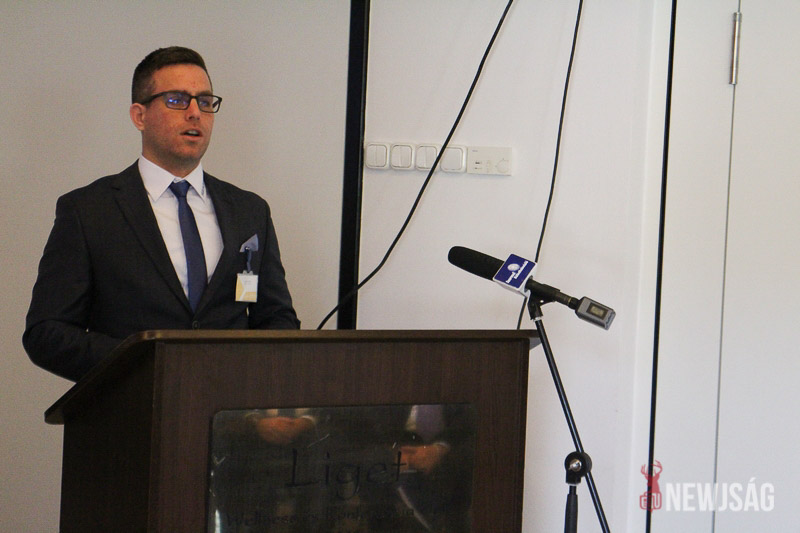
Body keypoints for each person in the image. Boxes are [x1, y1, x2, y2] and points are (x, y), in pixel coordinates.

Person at [23, 46, 300, 382]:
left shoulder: (249, 211)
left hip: (228, 405)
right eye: (177, 100)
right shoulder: (88, 211)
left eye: (205, 101)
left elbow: (276, 317)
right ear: (139, 116)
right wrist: (143, 363)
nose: (195, 113)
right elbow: (47, 333)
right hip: (133, 403)